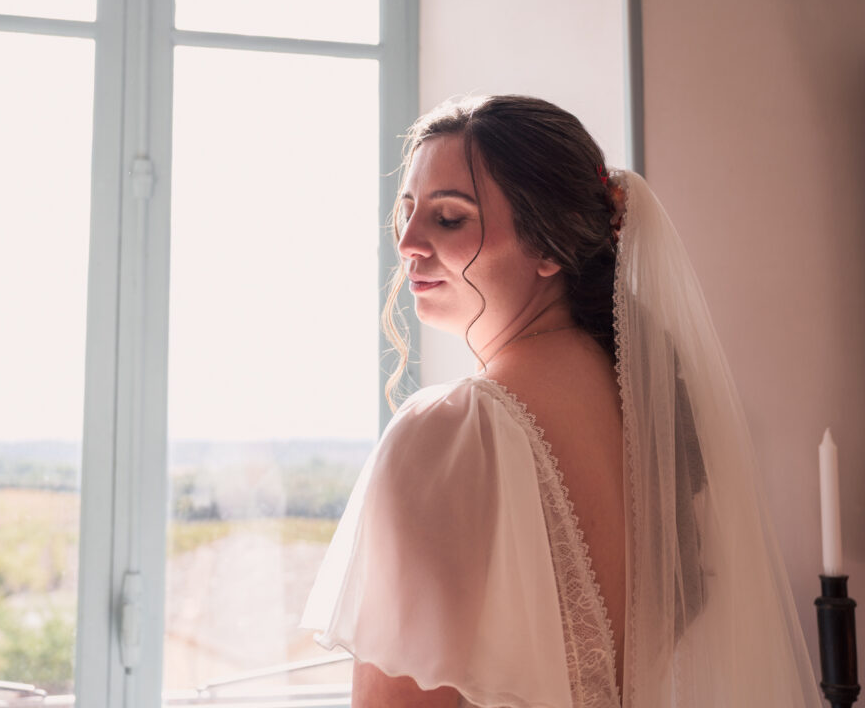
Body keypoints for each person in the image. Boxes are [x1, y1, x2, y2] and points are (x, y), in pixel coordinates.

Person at [302, 96, 821, 708]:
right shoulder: (642, 412)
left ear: (549, 247)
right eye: (406, 210)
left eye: (449, 218)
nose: (408, 242)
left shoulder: (447, 435)